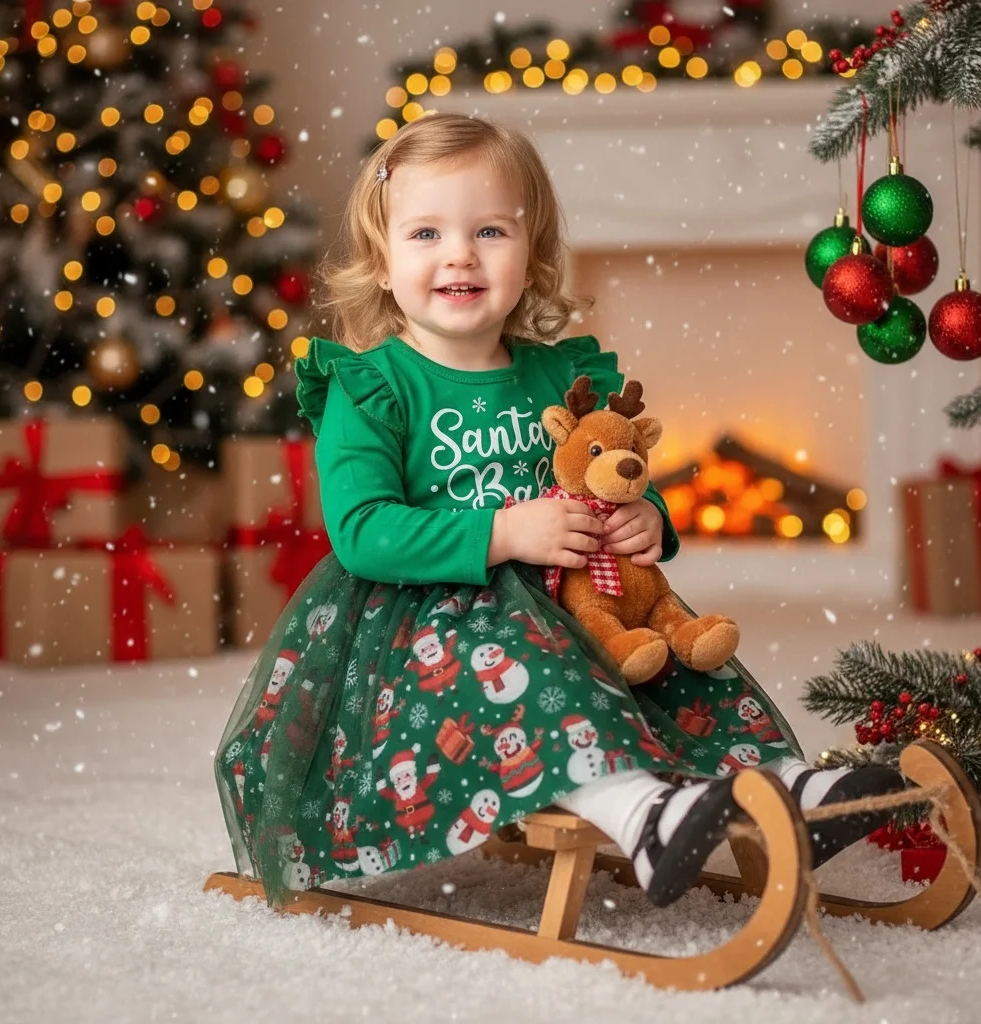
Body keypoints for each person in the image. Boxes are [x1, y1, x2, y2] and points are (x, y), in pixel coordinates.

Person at [214, 112, 902, 910]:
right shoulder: (371, 389)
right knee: (530, 675)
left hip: (577, 591)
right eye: (426, 233)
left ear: (532, 252)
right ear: (382, 259)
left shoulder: (561, 375)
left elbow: (610, 471)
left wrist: (649, 520)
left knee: (677, 659)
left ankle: (782, 782)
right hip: (433, 620)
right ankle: (639, 812)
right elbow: (363, 532)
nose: (460, 254)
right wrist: (501, 533)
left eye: (491, 231)